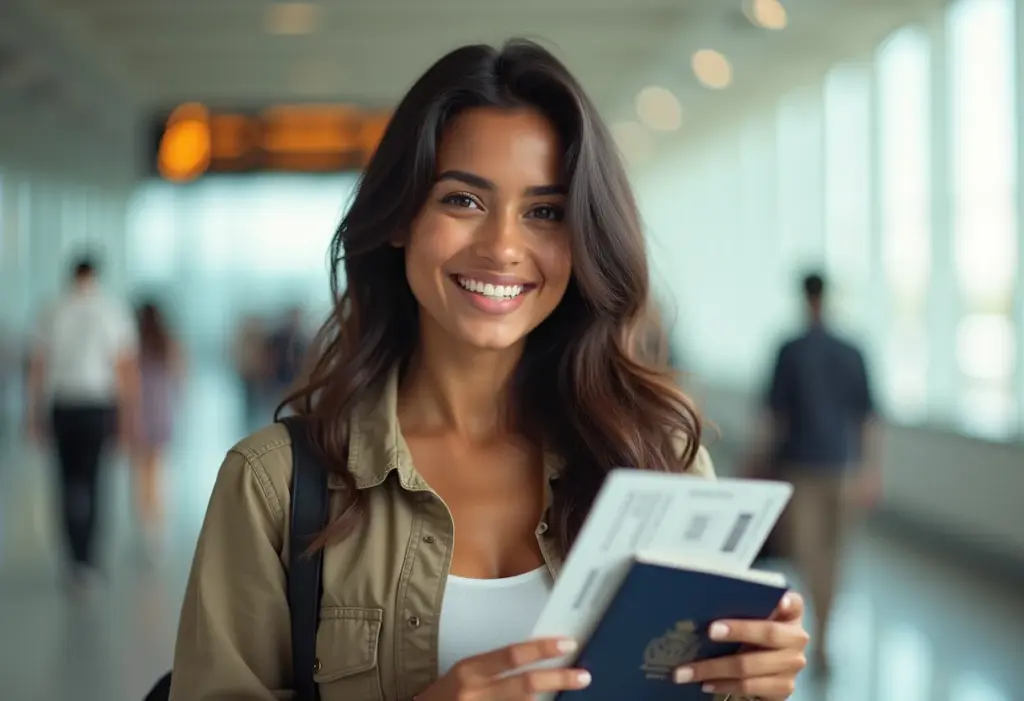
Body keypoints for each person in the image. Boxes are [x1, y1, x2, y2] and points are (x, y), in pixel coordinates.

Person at [168, 40, 809, 701]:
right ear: (400, 218)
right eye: (463, 201)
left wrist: (748, 684)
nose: (503, 246)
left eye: (545, 212)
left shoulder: (660, 460)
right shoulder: (274, 486)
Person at [755, 272, 880, 676]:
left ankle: (818, 636)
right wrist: (870, 470)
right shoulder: (851, 350)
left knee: (808, 554)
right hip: (842, 467)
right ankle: (822, 636)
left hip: (802, 468)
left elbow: (774, 416)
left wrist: (756, 464)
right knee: (830, 556)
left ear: (804, 298)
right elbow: (868, 419)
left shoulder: (790, 350)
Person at [27, 255, 139, 590]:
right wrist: (128, 417)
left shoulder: (51, 309)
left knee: (65, 481)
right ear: (97, 276)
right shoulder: (113, 310)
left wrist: (33, 413)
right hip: (98, 405)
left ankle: (72, 558)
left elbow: (38, 366)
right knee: (94, 481)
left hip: (63, 405)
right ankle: (89, 557)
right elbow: (124, 369)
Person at [133, 299, 184, 557]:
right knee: (157, 471)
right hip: (162, 410)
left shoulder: (134, 342)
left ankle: (146, 526)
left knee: (141, 473)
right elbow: (180, 375)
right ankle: (157, 529)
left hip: (138, 412)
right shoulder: (167, 342)